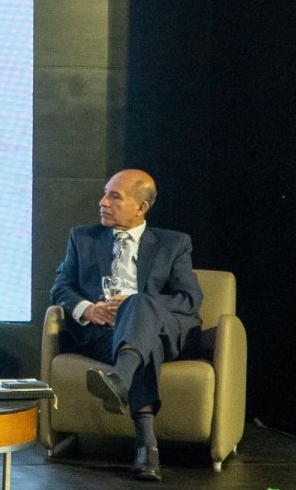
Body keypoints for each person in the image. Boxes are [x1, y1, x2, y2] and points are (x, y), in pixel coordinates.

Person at [50, 169, 203, 482]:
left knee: (139, 306)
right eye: (105, 193)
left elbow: (189, 299)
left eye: (114, 197)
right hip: (103, 333)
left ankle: (119, 379)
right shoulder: (83, 238)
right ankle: (146, 447)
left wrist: (139, 304)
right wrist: (89, 309)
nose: (103, 202)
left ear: (141, 207)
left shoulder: (174, 243)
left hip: (164, 329)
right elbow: (61, 287)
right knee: (144, 345)